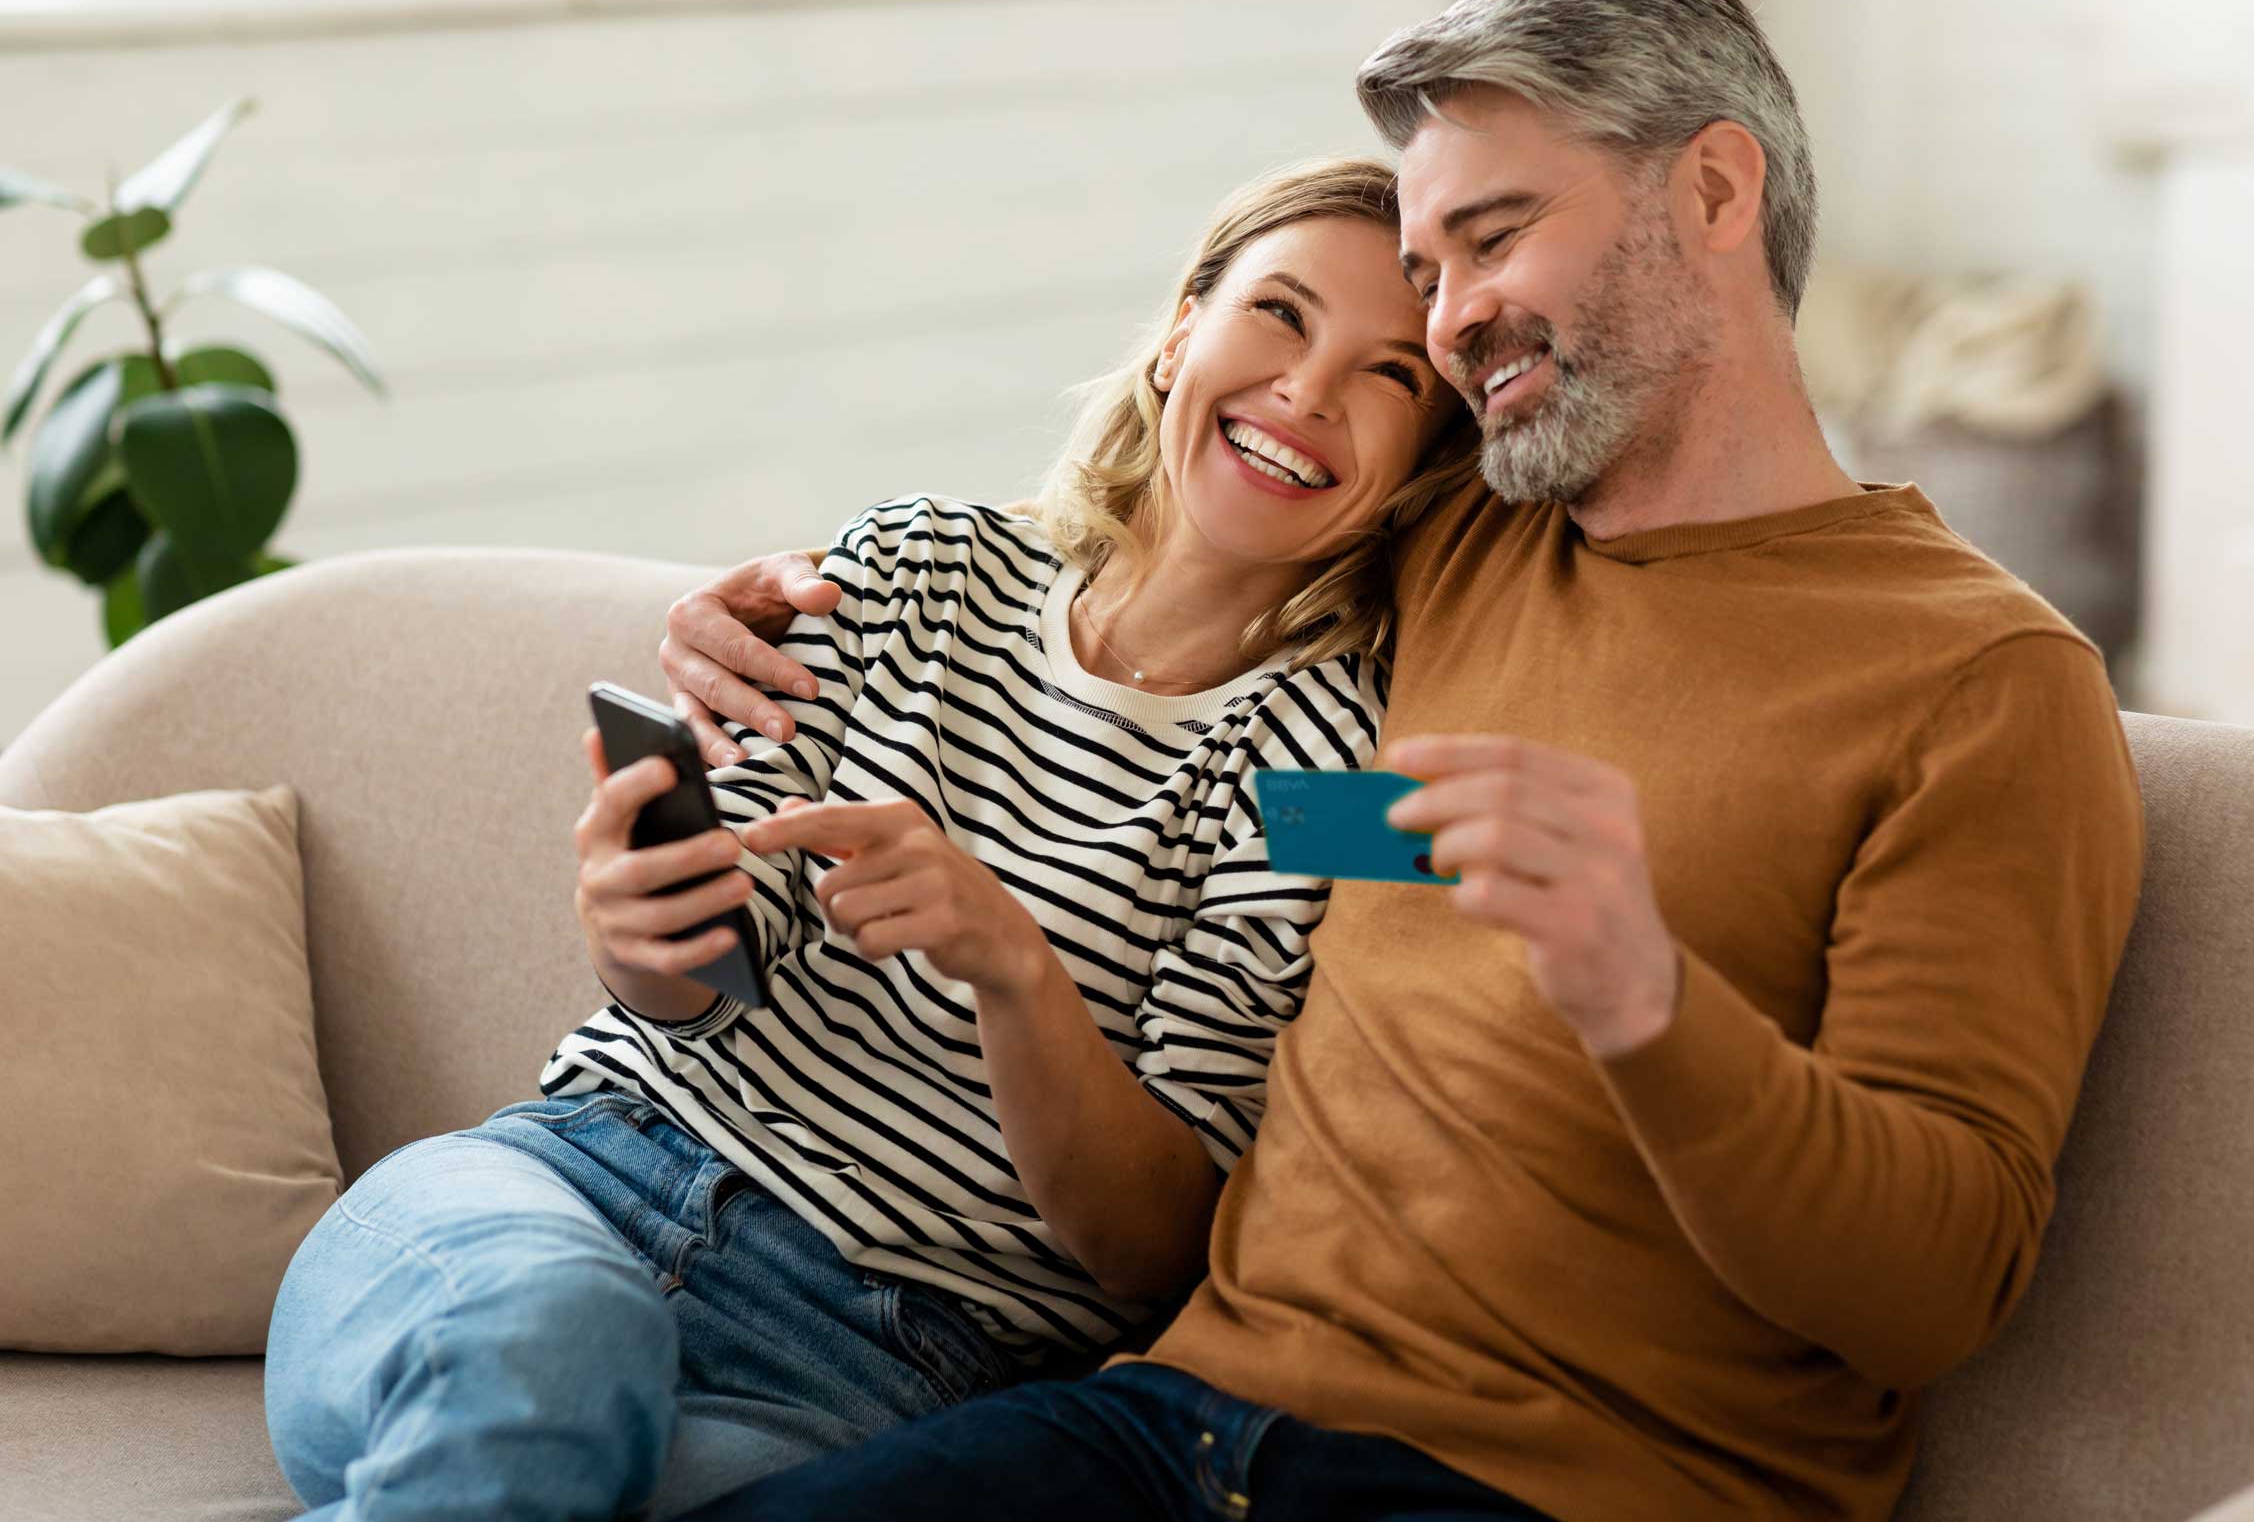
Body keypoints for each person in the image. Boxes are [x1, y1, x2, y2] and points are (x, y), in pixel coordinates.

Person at [659, 0, 2146, 1522]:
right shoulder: (1453, 548)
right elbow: (1192, 636)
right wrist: (757, 618)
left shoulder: (1979, 684)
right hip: (1175, 1422)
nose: (1448, 325)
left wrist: (1644, 993)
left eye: (1494, 238)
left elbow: (1933, 1290)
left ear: (1715, 192)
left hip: (1562, 1490)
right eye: (1430, 272)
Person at [259, 157, 1476, 1522]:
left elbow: (1152, 1254)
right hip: (559, 1194)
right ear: (1184, 328)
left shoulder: (1327, 773)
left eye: (1392, 377)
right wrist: (636, 928)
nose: (1308, 391)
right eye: (1281, 315)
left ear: (1423, 466)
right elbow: (697, 992)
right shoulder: (911, 570)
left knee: (533, 1477)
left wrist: (1011, 968)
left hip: (870, 1363)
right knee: (549, 1361)